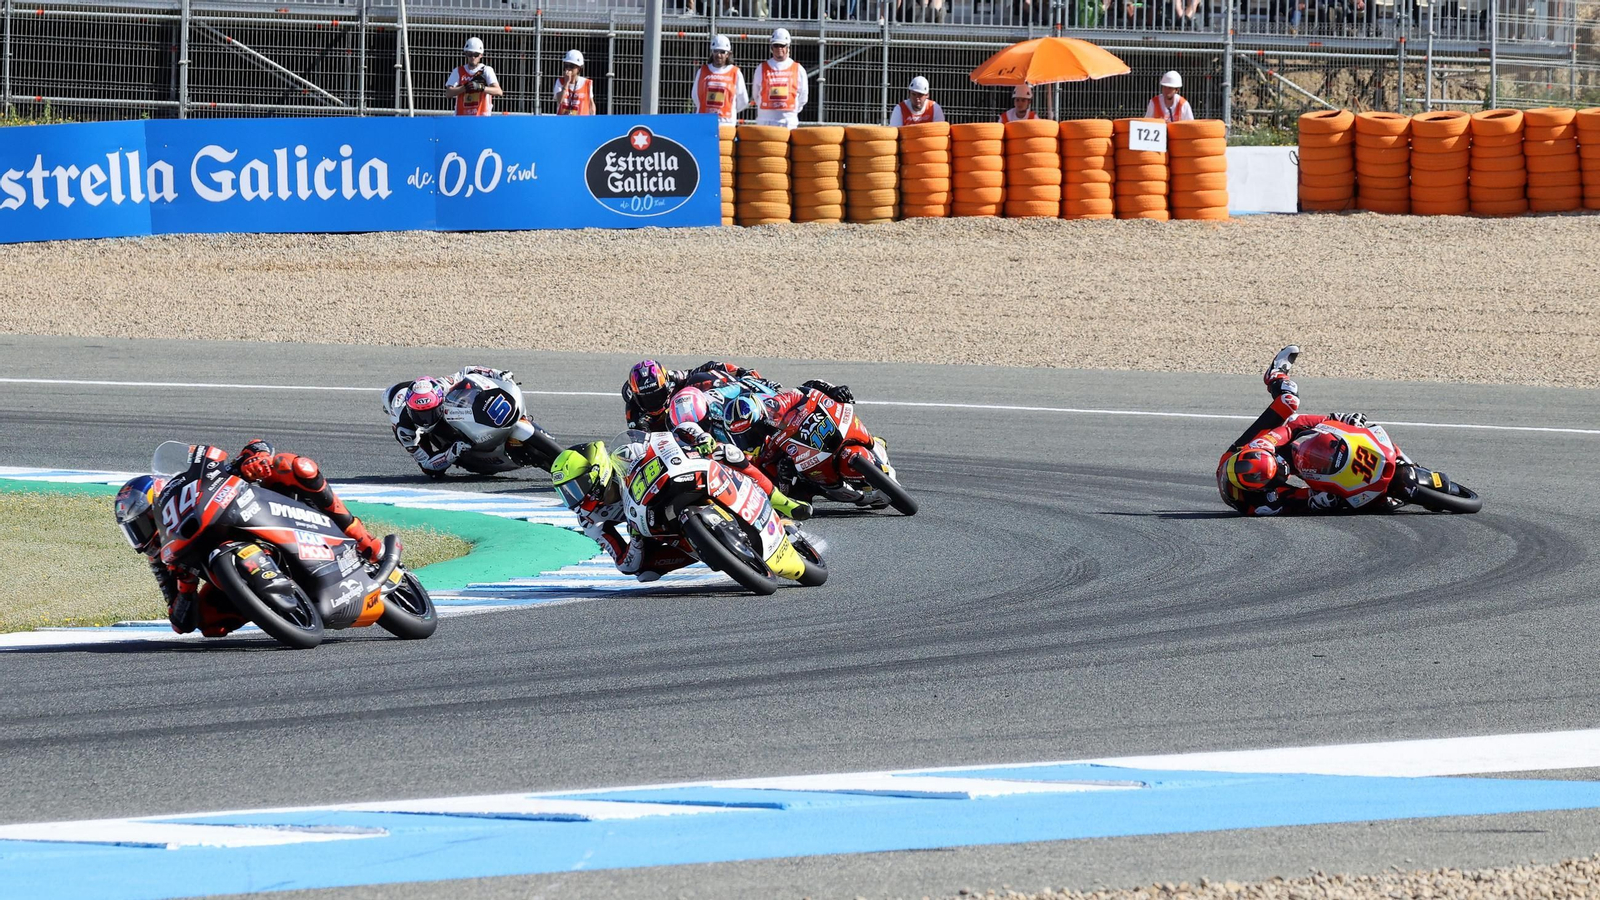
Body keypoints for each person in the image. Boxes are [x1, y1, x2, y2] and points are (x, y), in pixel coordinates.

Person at [114, 442, 382, 636]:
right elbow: (180, 623)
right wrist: (185, 584)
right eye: (133, 531)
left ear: (159, 509)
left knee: (294, 465)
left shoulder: (197, 493)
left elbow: (257, 446)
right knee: (208, 624)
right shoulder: (162, 560)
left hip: (272, 512)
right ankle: (274, 607)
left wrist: (253, 460)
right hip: (231, 571)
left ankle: (359, 536)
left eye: (141, 524)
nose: (142, 537)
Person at [550, 433, 802, 582]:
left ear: (597, 472)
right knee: (642, 572)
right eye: (567, 493)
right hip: (649, 525)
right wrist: (636, 539)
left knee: (726, 453)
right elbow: (624, 564)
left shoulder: (626, 454)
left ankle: (782, 503)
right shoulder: (589, 520)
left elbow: (664, 440)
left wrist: (695, 443)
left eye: (576, 487)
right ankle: (705, 550)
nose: (575, 498)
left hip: (672, 484)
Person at [1216, 347, 1397, 516]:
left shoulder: (1260, 445)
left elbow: (1293, 425)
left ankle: (1275, 376)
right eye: (1279, 472)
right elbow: (1294, 501)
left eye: (1278, 464)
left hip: (1238, 455)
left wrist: (1334, 420)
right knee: (1343, 503)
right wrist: (1314, 500)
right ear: (1263, 487)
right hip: (1256, 492)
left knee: (1289, 400)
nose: (1283, 468)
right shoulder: (1260, 503)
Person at [385, 365, 556, 477]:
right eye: (419, 414)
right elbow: (427, 465)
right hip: (418, 427)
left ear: (439, 401)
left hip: (437, 402)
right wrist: (452, 451)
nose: (425, 419)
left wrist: (498, 374)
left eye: (430, 412)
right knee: (435, 473)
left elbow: (468, 371)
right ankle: (468, 455)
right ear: (409, 409)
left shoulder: (442, 386)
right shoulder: (405, 428)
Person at [622, 359, 764, 432]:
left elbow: (709, 366)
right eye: (646, 398)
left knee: (698, 380)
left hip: (686, 413)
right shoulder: (634, 412)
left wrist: (741, 372)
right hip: (666, 434)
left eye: (657, 394)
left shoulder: (673, 378)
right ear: (635, 395)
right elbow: (641, 445)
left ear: (666, 386)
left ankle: (743, 392)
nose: (653, 401)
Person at [752, 29, 808, 130]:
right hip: (765, 121)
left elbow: (803, 96)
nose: (779, 48)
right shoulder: (761, 68)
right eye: (776, 45)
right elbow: (756, 94)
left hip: (788, 122)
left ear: (788, 47)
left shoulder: (798, 69)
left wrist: (791, 110)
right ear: (771, 47)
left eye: (782, 46)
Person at [693, 35, 749, 125]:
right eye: (716, 51)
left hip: (726, 123)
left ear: (728, 54)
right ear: (712, 52)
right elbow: (695, 96)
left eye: (722, 52)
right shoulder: (703, 71)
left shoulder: (735, 72)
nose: (718, 55)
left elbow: (743, 100)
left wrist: (731, 109)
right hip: (705, 121)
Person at [446, 37, 504, 116]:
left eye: (476, 54)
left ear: (481, 55)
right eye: (470, 54)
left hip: (482, 118)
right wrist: (464, 88)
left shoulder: (486, 70)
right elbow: (448, 93)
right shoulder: (458, 71)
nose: (473, 58)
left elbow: (499, 91)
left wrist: (481, 87)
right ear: (466, 54)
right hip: (461, 118)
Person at [554, 49, 596, 116]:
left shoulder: (586, 83)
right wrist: (566, 83)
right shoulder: (560, 82)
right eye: (566, 66)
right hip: (563, 121)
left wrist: (593, 119)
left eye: (571, 66)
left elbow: (591, 104)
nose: (568, 68)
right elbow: (560, 101)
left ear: (579, 68)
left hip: (581, 121)